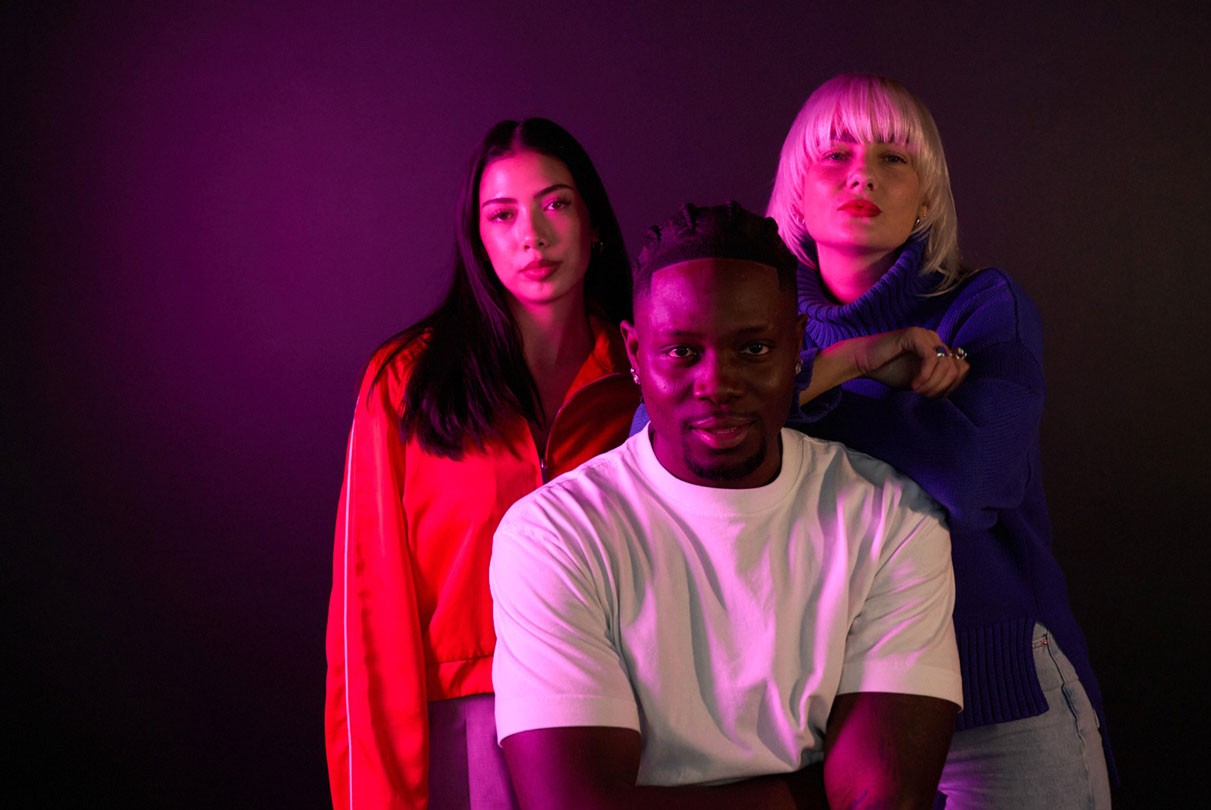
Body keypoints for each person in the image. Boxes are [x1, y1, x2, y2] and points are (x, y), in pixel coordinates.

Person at [489, 202, 963, 810]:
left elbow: (883, 800)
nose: (718, 384)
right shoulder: (554, 536)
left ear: (797, 345)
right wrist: (805, 796)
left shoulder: (890, 520)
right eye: (682, 353)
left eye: (755, 349)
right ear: (634, 354)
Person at [766, 74, 1114, 809]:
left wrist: (804, 404)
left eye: (896, 159)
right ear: (795, 190)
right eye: (835, 154)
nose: (863, 172)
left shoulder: (984, 306)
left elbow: (976, 474)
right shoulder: (759, 330)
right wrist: (858, 363)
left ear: (926, 198)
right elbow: (665, 442)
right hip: (838, 717)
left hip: (1000, 697)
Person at [324, 118, 639, 810]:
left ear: (594, 223)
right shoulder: (405, 383)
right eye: (503, 215)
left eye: (555, 204)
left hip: (623, 718)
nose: (533, 235)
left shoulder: (647, 375)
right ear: (479, 239)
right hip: (467, 727)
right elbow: (367, 617)